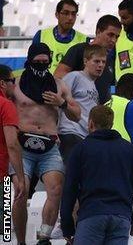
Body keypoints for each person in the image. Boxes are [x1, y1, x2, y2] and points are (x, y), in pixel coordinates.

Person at [10, 43, 80, 245]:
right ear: (29, 60)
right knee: (20, 191)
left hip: (50, 146)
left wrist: (62, 103)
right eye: (37, 62)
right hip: (22, 145)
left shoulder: (59, 85)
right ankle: (21, 241)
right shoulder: (16, 84)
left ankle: (44, 237)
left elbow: (77, 115)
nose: (41, 65)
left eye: (45, 62)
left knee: (56, 189)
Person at [60, 105, 133, 244]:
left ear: (90, 123)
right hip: (121, 217)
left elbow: (69, 188)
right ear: (111, 124)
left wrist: (67, 227)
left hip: (91, 214)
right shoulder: (130, 149)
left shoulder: (81, 149)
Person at [54, 15, 121, 104]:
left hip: (98, 114)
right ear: (98, 31)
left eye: (117, 37)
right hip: (76, 113)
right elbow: (58, 75)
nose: (113, 40)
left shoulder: (109, 60)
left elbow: (109, 87)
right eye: (110, 35)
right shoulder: (79, 50)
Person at [58, 45, 106, 161]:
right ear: (85, 61)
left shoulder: (93, 85)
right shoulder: (75, 76)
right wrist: (55, 131)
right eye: (96, 61)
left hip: (84, 136)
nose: (100, 65)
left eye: (103, 62)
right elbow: (58, 101)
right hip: (70, 133)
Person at [32, 0, 88, 73]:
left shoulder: (84, 40)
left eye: (73, 14)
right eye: (66, 13)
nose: (70, 18)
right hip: (43, 83)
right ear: (57, 15)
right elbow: (32, 64)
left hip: (70, 84)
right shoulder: (41, 35)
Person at [0, 65, 25, 198]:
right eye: (13, 81)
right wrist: (21, 179)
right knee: (4, 218)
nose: (15, 86)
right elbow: (12, 144)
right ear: (2, 83)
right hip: (2, 176)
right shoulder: (6, 105)